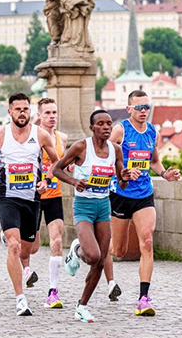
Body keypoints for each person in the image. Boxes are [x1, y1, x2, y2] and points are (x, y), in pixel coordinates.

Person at [0, 93, 59, 316]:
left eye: (25, 109)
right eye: (18, 109)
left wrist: (47, 180)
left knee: (29, 248)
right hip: (7, 196)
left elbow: (56, 162)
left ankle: (11, 237)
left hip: (32, 198)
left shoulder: (41, 135)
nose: (22, 113)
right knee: (14, 247)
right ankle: (20, 298)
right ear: (10, 112)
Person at [106, 90, 180, 316]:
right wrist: (123, 172)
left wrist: (165, 173)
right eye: (139, 108)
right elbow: (102, 156)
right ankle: (87, 248)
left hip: (144, 194)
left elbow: (154, 161)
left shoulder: (151, 131)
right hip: (120, 193)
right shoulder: (121, 130)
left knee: (147, 242)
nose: (143, 111)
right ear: (129, 109)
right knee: (118, 250)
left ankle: (143, 298)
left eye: (146, 107)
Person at [53, 110, 128, 323]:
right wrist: (74, 182)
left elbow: (122, 182)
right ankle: (77, 250)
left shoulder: (116, 150)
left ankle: (82, 306)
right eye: (101, 124)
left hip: (103, 205)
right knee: (93, 255)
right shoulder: (81, 147)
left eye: (109, 124)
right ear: (92, 128)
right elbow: (57, 169)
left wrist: (124, 177)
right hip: (84, 206)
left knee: (100, 262)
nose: (106, 127)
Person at [19, 98, 68, 308]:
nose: (52, 116)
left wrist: (69, 170)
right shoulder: (31, 137)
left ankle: (53, 292)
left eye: (54, 112)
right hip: (33, 196)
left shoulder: (62, 138)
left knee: (57, 241)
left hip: (54, 194)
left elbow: (61, 164)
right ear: (39, 115)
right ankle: (25, 268)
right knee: (32, 247)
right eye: (47, 113)